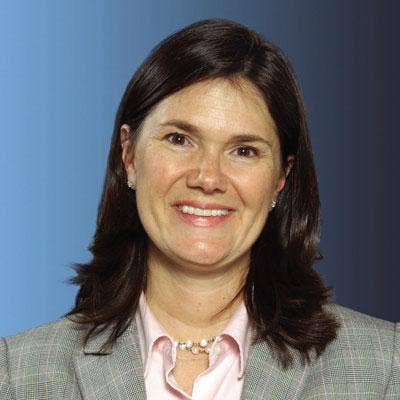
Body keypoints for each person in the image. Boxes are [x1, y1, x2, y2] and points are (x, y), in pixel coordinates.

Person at [1, 18, 399, 400]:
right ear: (129, 155)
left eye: (244, 151)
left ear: (281, 177)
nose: (208, 178)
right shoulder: (18, 375)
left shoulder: (384, 368)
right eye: (179, 139)